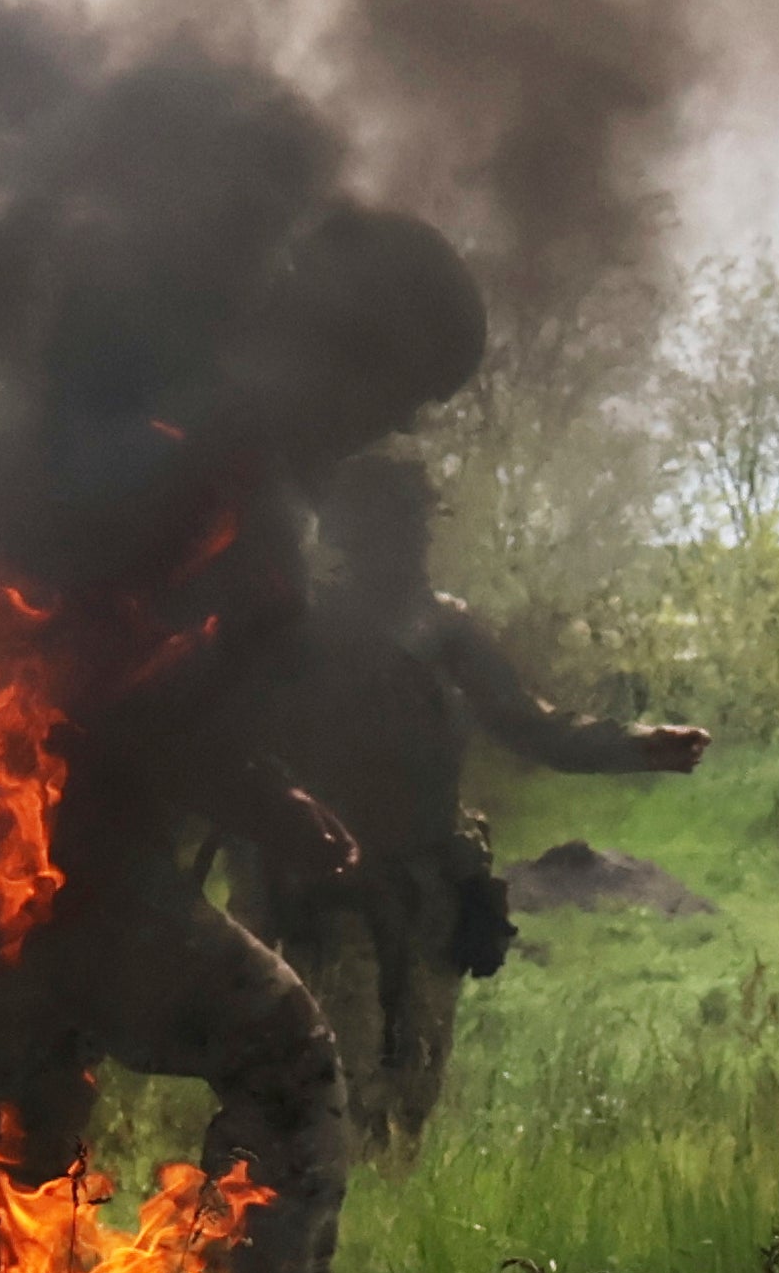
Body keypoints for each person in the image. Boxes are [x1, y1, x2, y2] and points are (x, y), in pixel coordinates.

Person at [0, 206, 489, 1273]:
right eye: (396, 387)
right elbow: (104, 682)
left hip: (21, 847)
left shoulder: (216, 450)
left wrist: (256, 793)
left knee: (17, 1129)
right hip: (44, 849)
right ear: (349, 346)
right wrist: (255, 797)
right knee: (284, 1056)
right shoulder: (203, 459)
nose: (389, 425)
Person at [238, 452, 706, 1162]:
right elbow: (248, 751)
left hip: (429, 887)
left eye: (419, 525)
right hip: (332, 897)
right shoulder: (300, 628)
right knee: (341, 1087)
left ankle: (390, 1226)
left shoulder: (445, 629)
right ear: (357, 533)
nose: (415, 542)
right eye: (397, 525)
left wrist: (640, 746)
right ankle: (335, 1239)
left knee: (413, 1089)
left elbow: (529, 723)